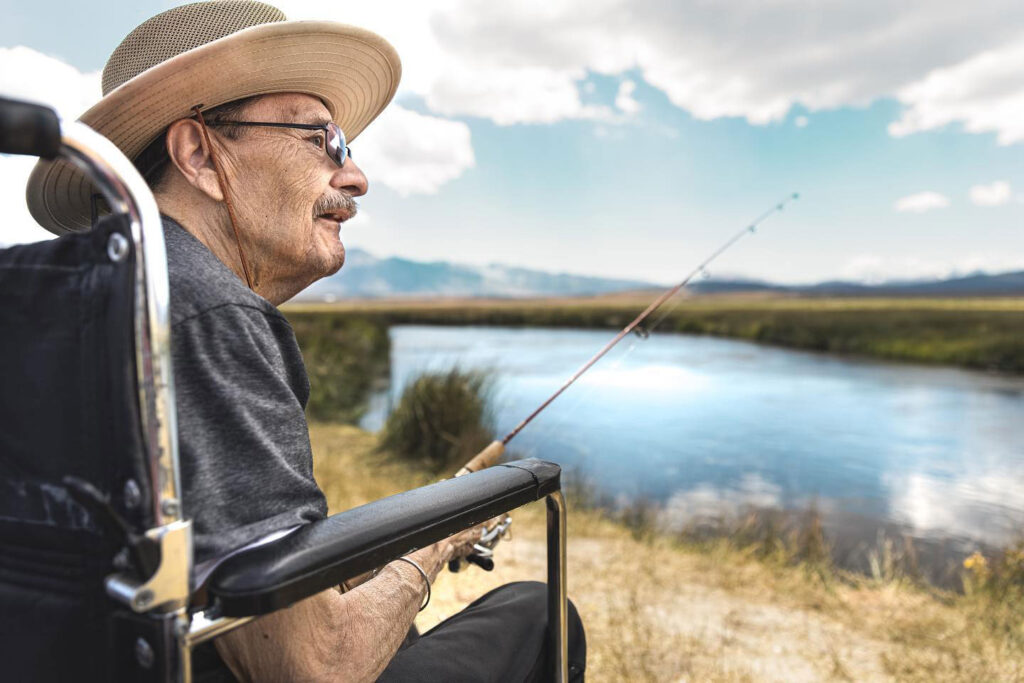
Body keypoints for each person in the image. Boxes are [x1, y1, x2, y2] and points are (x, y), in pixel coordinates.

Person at [25, 2, 585, 681]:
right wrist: (437, 539)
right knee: (540, 611)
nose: (355, 176)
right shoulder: (204, 312)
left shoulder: (46, 296)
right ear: (201, 154)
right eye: (324, 142)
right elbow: (316, 667)